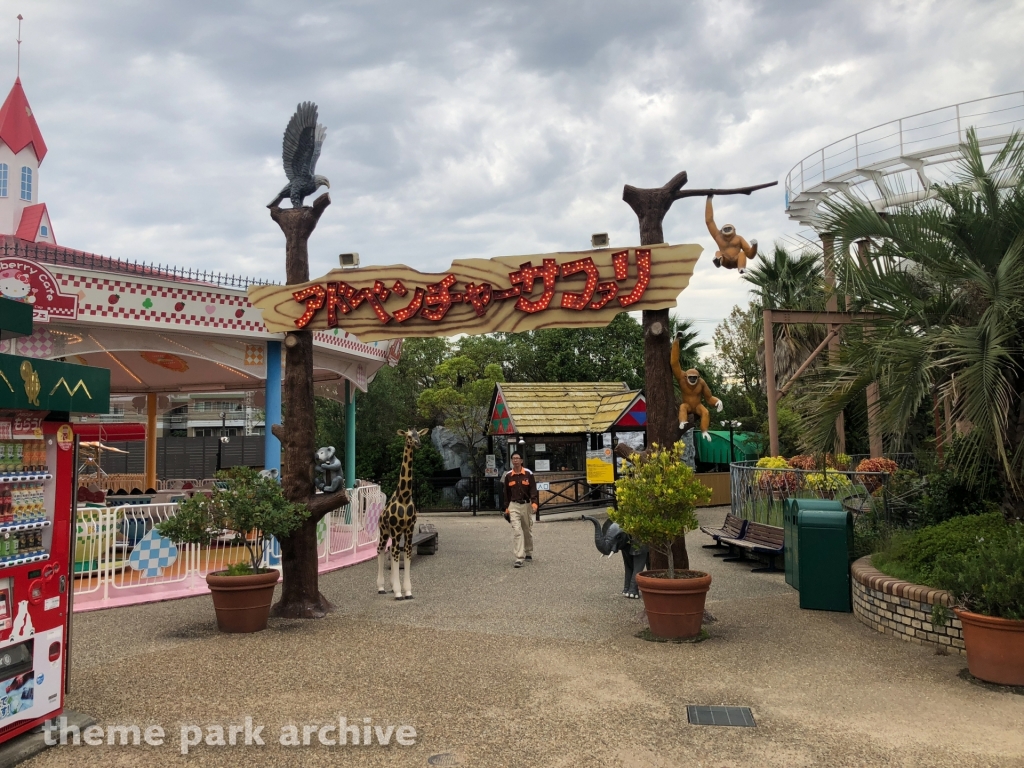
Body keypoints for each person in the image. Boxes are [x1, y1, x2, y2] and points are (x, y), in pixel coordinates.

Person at [502, 452, 538, 567]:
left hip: (526, 505)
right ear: (511, 461)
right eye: (513, 458)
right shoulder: (508, 475)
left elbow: (533, 489)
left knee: (527, 530)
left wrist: (534, 503)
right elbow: (506, 493)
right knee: (517, 531)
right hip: (513, 505)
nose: (516, 460)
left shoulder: (528, 474)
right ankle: (519, 557)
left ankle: (528, 551)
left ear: (521, 461)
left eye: (517, 458)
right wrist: (506, 508)